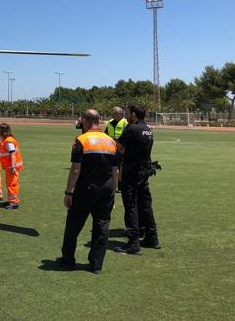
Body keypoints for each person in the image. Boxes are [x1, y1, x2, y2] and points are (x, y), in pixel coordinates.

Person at [57, 109, 118, 274]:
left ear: (84, 120)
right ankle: (96, 265)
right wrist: (114, 191)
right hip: (106, 189)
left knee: (73, 225)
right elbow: (115, 171)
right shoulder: (111, 141)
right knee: (102, 227)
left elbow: (76, 169)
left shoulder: (81, 140)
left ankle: (68, 261)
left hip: (85, 189)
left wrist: (68, 192)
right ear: (99, 121)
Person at [114, 103, 161, 255]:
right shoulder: (148, 129)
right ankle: (152, 238)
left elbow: (118, 147)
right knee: (145, 205)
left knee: (131, 205)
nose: (126, 115)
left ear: (133, 114)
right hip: (144, 171)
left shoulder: (132, 128)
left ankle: (133, 243)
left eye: (127, 112)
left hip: (131, 171)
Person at [0, 123, 23, 210]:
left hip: (12, 167)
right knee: (11, 183)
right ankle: (12, 200)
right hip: (10, 167)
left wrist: (13, 167)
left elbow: (12, 154)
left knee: (12, 184)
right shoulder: (7, 140)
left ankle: (14, 203)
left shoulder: (8, 141)